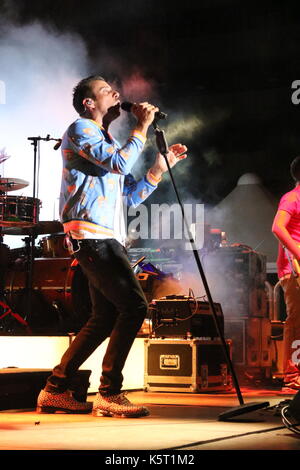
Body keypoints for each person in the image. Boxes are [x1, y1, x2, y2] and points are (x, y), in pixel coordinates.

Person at [36, 74, 187, 417]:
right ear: (89, 102)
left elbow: (128, 198)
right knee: (134, 307)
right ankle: (109, 393)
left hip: (104, 236)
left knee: (103, 318)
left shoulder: (103, 141)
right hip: (93, 238)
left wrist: (158, 169)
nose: (116, 93)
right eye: (106, 90)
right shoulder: (81, 129)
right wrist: (141, 126)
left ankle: (55, 389)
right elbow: (119, 162)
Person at [272, 156, 300, 391]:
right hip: (293, 271)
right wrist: (298, 251)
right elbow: (277, 227)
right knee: (296, 321)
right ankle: (292, 377)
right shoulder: (291, 198)